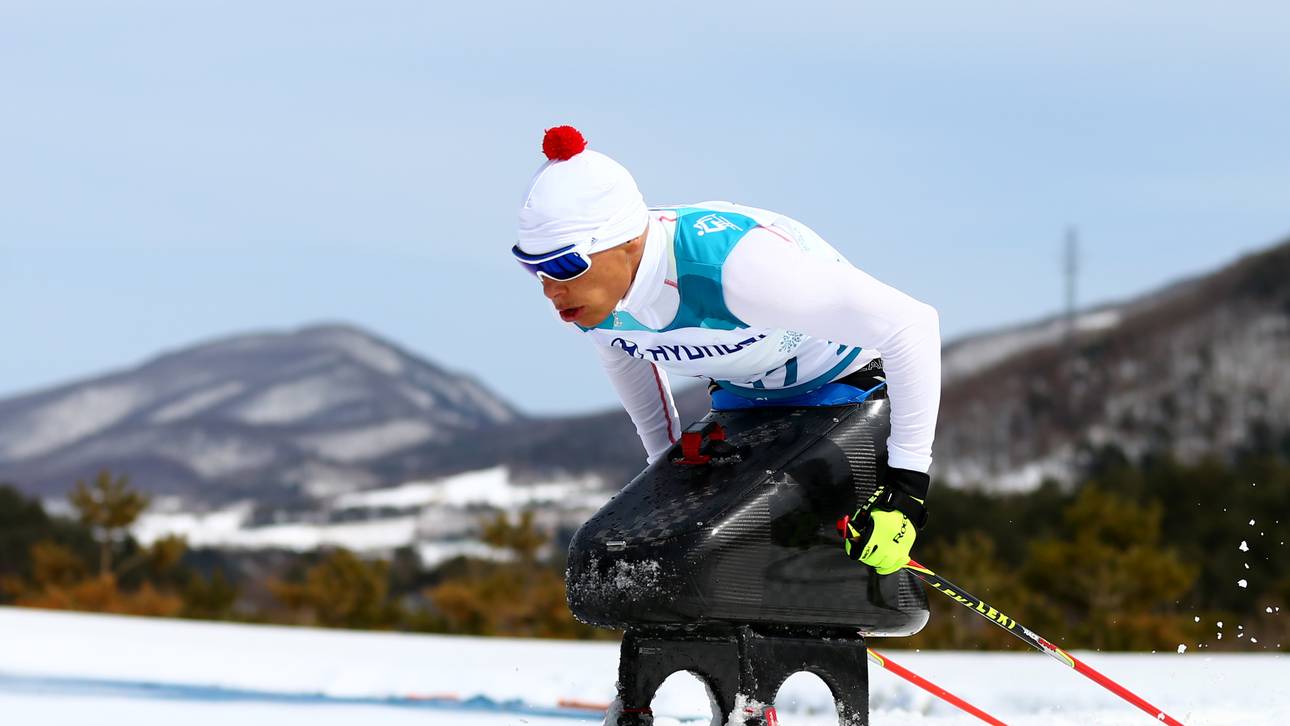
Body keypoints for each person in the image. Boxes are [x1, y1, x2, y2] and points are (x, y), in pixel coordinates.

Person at [513, 125, 941, 576]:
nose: (550, 289)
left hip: (839, 381)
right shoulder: (594, 296)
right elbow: (623, 352)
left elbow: (912, 325)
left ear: (628, 242)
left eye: (564, 264)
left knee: (834, 564)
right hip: (742, 396)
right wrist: (664, 460)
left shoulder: (740, 268)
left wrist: (907, 490)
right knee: (708, 566)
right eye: (533, 267)